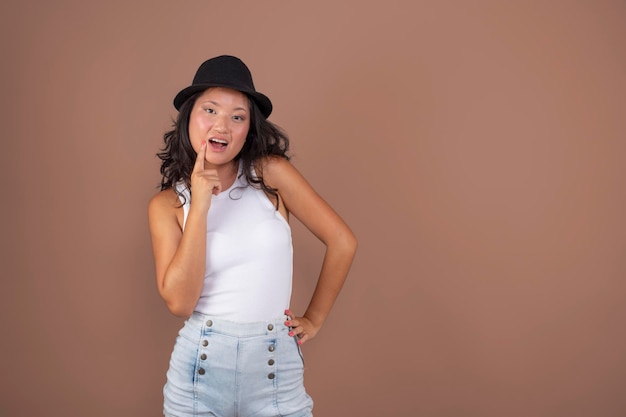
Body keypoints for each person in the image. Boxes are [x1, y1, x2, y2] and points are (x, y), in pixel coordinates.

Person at [148, 55, 357, 417]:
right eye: (210, 110)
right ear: (189, 118)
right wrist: (198, 206)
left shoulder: (270, 175)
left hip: (276, 371)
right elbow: (180, 303)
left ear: (249, 128)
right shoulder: (167, 206)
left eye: (237, 116)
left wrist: (315, 317)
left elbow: (343, 241)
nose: (222, 126)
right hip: (199, 373)